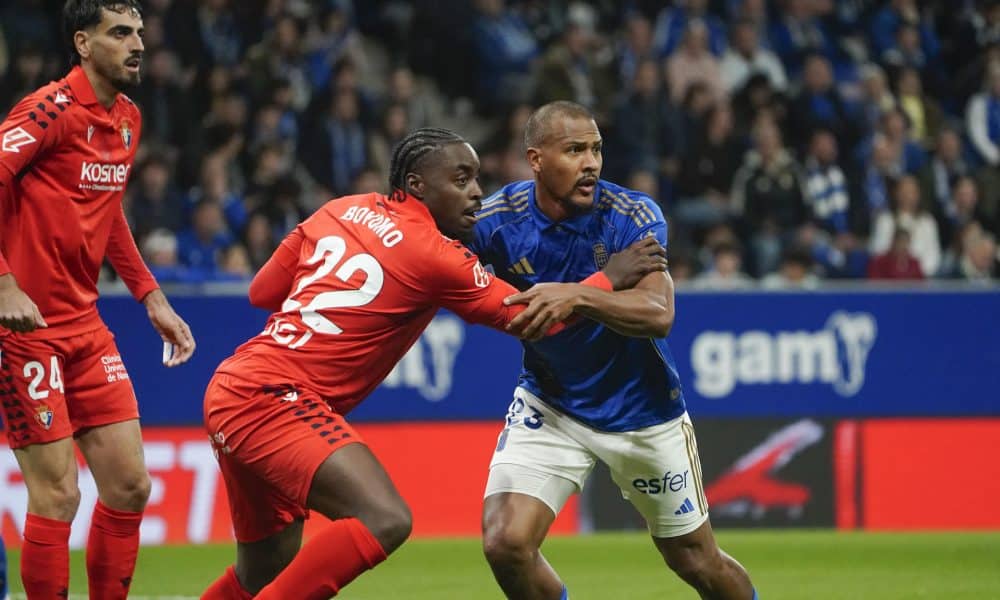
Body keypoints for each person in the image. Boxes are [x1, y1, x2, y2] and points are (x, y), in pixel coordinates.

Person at [200, 127, 667, 600]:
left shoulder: (340, 209)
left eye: (477, 179)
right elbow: (539, 321)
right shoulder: (437, 254)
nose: (477, 193)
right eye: (461, 179)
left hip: (232, 386)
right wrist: (604, 282)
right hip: (276, 399)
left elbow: (261, 292)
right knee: (383, 519)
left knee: (265, 566)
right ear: (417, 185)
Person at [473, 101, 758, 600]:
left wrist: (576, 292)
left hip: (643, 412)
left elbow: (658, 313)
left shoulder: (630, 214)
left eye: (597, 150)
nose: (591, 163)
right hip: (552, 403)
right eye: (575, 150)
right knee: (505, 543)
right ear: (536, 159)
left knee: (696, 560)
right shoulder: (496, 221)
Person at [0, 2, 196, 598]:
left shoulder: (129, 118)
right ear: (83, 43)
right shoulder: (47, 110)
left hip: (86, 326)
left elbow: (107, 213)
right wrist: (4, 284)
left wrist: (150, 296)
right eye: (120, 33)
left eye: (139, 32)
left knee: (131, 485)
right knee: (58, 495)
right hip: (24, 329)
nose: (137, 43)